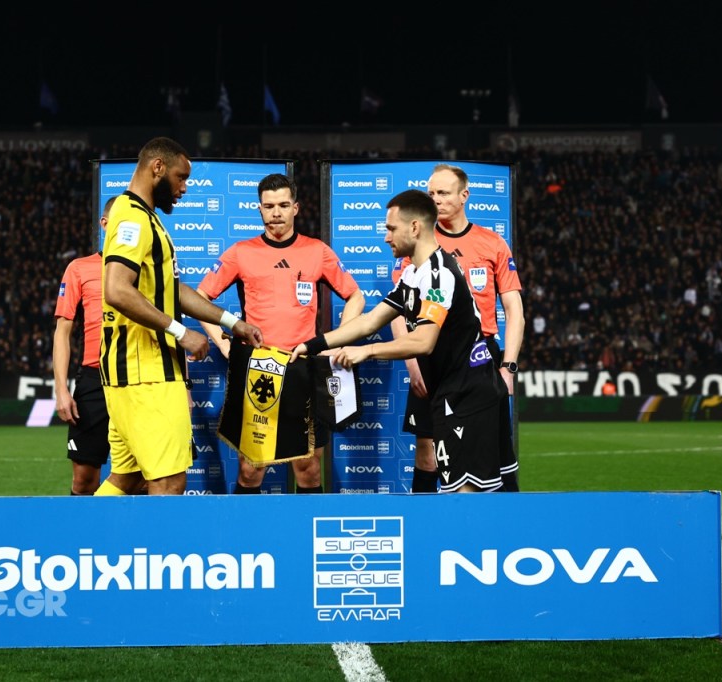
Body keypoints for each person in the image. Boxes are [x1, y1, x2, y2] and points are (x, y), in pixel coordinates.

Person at [292, 189, 505, 493]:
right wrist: (313, 345)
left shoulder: (438, 274)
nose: (386, 237)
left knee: (467, 497)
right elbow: (369, 321)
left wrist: (367, 352)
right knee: (459, 493)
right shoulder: (413, 275)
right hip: (449, 391)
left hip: (469, 394)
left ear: (415, 227)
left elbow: (423, 341)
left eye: (391, 228)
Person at [95, 137, 263, 497]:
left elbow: (172, 290)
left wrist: (232, 323)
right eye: (180, 177)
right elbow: (117, 289)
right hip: (146, 373)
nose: (184, 188)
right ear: (157, 168)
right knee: (168, 482)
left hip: (135, 374)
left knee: (128, 479)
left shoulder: (145, 218)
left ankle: (81, 531)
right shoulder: (133, 217)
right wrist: (179, 332)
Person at [197, 173, 365, 493]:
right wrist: (221, 342)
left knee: (309, 469)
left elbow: (355, 296)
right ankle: (247, 526)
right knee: (251, 470)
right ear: (259, 209)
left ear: (295, 208)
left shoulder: (317, 251)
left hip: (304, 367)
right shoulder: (241, 252)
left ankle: (306, 528)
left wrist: (336, 341)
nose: (276, 212)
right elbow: (200, 298)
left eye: (283, 205)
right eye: (269, 206)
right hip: (259, 369)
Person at [391, 163, 524, 493]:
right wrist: (413, 365)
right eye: (431, 193)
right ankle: (424, 523)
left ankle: (501, 521)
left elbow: (515, 311)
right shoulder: (417, 242)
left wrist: (508, 367)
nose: (436, 199)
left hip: (479, 357)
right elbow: (397, 310)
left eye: (443, 192)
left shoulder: (492, 243)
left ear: (464, 195)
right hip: (429, 354)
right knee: (427, 452)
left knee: (491, 452)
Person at [52, 197, 122, 496]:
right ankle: (80, 527)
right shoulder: (79, 268)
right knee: (83, 479)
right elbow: (62, 331)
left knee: (142, 476)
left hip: (138, 379)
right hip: (94, 379)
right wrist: (61, 389)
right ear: (104, 224)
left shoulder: (148, 269)